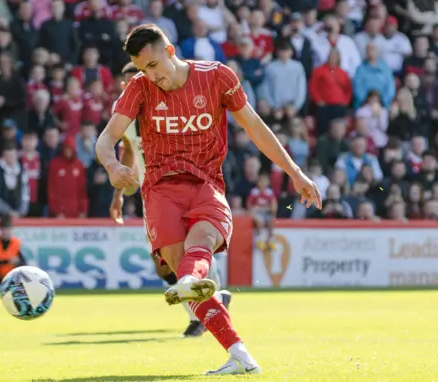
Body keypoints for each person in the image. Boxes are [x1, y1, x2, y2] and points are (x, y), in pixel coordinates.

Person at [95, 24, 322, 375]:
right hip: (159, 191)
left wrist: (295, 172)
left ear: (170, 52)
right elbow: (106, 138)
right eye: (143, 69)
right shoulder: (139, 88)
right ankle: (240, 355)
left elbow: (255, 126)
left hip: (206, 184)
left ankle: (191, 285)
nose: (151, 76)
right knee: (186, 274)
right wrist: (111, 166)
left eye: (154, 65)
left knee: (200, 246)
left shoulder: (216, 76)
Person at [110, 62, 232, 338]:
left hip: (188, 186)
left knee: (192, 247)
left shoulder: (169, 104)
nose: (138, 85)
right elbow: (128, 150)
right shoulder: (124, 114)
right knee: (162, 262)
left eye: (142, 78)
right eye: (131, 81)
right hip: (152, 195)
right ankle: (217, 298)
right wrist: (118, 194)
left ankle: (200, 313)